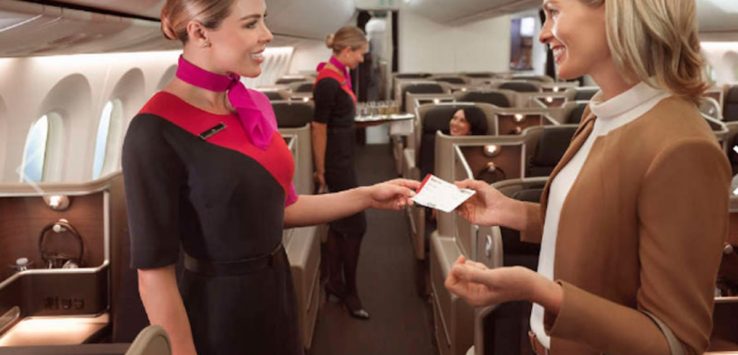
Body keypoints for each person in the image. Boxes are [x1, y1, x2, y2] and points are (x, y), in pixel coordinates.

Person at [121, 1, 419, 354]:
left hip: (276, 292)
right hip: (218, 310)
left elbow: (282, 210)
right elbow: (154, 274)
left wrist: (368, 196)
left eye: (265, 20)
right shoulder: (154, 129)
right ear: (199, 32)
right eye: (251, 24)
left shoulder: (253, 106)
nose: (267, 35)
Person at [445, 0, 730, 354]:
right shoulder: (600, 112)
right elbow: (599, 230)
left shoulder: (682, 147)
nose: (545, 33)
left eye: (554, 12)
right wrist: (511, 212)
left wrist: (538, 290)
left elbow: (673, 342)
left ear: (617, 10)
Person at [310, 26, 373, 320]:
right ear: (347, 51)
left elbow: (339, 119)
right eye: (360, 53)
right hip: (335, 162)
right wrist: (321, 170)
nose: (362, 59)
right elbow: (319, 127)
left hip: (343, 155)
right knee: (356, 225)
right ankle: (350, 291)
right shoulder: (328, 81)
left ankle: (335, 282)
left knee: (339, 225)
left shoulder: (339, 74)